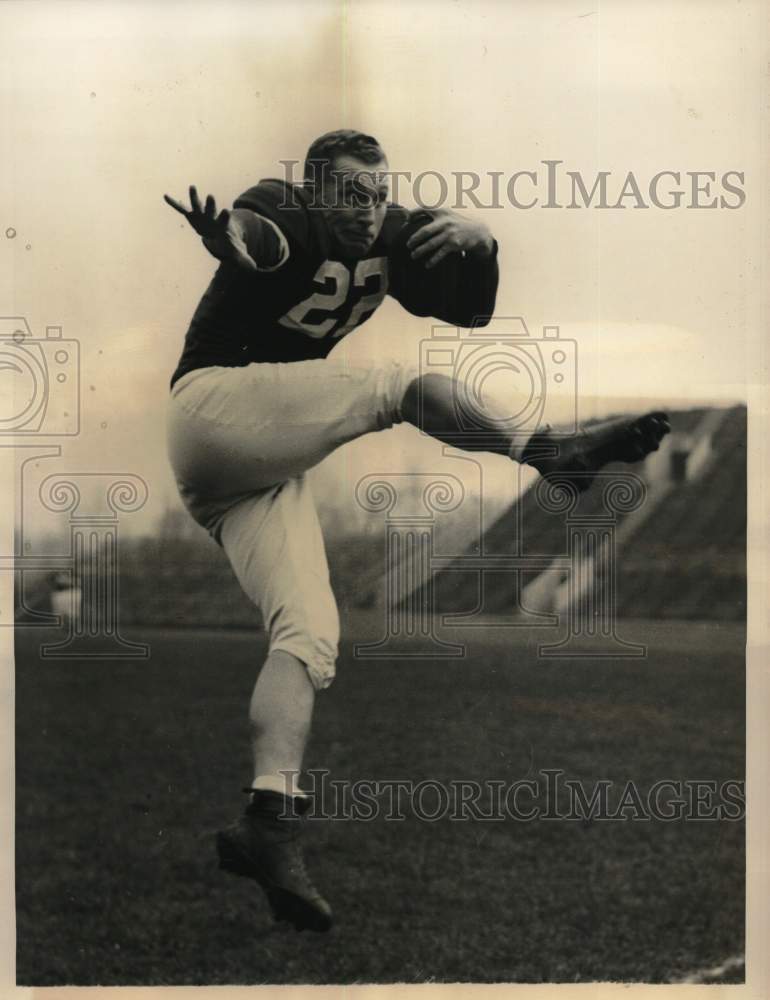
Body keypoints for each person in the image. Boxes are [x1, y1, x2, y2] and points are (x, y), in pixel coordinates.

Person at [165, 129, 670, 932]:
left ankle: (268, 820)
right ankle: (549, 453)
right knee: (393, 384)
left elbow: (471, 310)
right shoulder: (288, 208)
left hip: (246, 468)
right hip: (212, 408)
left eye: (377, 194)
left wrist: (485, 243)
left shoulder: (396, 233)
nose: (369, 212)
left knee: (309, 634)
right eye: (352, 196)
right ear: (319, 190)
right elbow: (258, 244)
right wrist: (226, 239)